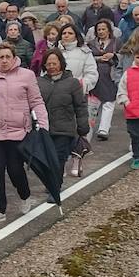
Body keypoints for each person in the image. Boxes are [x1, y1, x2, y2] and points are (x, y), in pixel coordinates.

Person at [0, 43, 48, 224]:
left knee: (15, 169)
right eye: (0, 57)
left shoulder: (26, 76)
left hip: (19, 132)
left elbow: (36, 102)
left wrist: (42, 126)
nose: (4, 60)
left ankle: (25, 195)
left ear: (14, 58)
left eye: (7, 57)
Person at [38, 51, 89, 187]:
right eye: (48, 63)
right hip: (44, 129)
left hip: (64, 129)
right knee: (46, 159)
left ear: (61, 63)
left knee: (58, 159)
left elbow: (80, 106)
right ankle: (50, 182)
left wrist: (83, 126)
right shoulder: (38, 82)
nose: (52, 66)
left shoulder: (73, 83)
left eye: (55, 63)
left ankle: (55, 186)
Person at [87, 19, 121, 140]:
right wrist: (99, 58)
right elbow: (87, 58)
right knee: (93, 102)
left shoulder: (116, 42)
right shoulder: (90, 43)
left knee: (109, 102)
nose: (101, 32)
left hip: (110, 76)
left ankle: (104, 129)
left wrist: (114, 56)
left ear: (109, 30)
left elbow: (124, 55)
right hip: (95, 76)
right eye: (99, 29)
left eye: (103, 29)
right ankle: (89, 129)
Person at [59, 24, 98, 98]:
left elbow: (92, 73)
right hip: (56, 93)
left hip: (77, 93)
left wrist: (81, 85)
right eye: (64, 33)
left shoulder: (85, 52)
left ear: (76, 36)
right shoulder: (54, 51)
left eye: (70, 33)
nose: (66, 35)